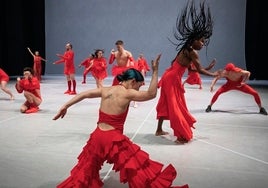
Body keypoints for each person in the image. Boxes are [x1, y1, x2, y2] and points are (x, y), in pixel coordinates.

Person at [53, 54, 189, 188]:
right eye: (139, 86)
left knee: (84, 172)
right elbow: (151, 94)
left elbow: (84, 94)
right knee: (138, 168)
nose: (138, 90)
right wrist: (155, 71)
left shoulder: (106, 90)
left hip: (97, 137)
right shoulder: (128, 93)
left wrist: (65, 106)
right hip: (114, 140)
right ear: (133, 82)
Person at [155, 0, 221, 144]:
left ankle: (159, 129)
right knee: (174, 106)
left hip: (170, 76)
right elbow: (198, 70)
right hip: (172, 79)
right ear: (194, 40)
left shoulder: (185, 49)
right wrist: (214, 74)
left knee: (167, 103)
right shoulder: (193, 53)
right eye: (201, 41)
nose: (203, 44)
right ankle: (181, 135)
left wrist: (208, 68)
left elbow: (186, 67)